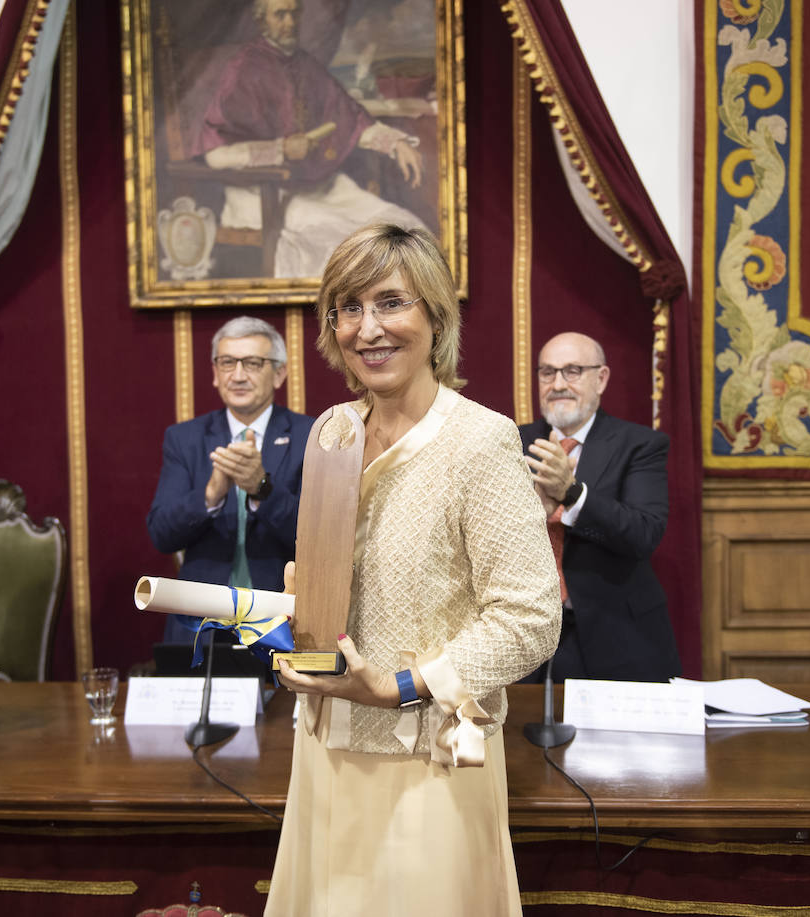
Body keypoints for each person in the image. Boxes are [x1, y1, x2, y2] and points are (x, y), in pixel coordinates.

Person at [267, 225, 560, 915]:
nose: (366, 328)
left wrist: (401, 685)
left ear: (435, 313)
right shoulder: (332, 429)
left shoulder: (480, 438)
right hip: (323, 751)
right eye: (347, 308)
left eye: (390, 302)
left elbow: (531, 618)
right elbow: (347, 588)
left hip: (427, 763)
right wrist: (300, 612)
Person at [196, 0, 427, 278]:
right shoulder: (243, 69)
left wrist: (395, 144)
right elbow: (216, 154)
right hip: (261, 194)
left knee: (406, 229)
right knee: (345, 246)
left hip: (318, 186)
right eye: (280, 14)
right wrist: (281, 150)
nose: (290, 22)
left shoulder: (305, 65)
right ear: (261, 20)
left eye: (294, 13)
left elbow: (349, 119)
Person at [519, 331, 681, 684]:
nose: (558, 383)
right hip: (523, 636)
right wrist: (534, 515)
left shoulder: (639, 445)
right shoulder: (513, 442)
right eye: (547, 373)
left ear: (601, 378)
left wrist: (572, 494)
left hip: (615, 636)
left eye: (572, 371)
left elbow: (643, 533)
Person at [145, 316, 313, 644]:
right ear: (214, 372)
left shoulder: (311, 435)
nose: (237, 375)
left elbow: (319, 539)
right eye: (227, 363)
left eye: (252, 363)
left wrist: (261, 488)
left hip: (283, 624)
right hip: (200, 628)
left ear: (279, 373)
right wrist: (211, 495)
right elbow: (161, 534)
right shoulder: (185, 438)